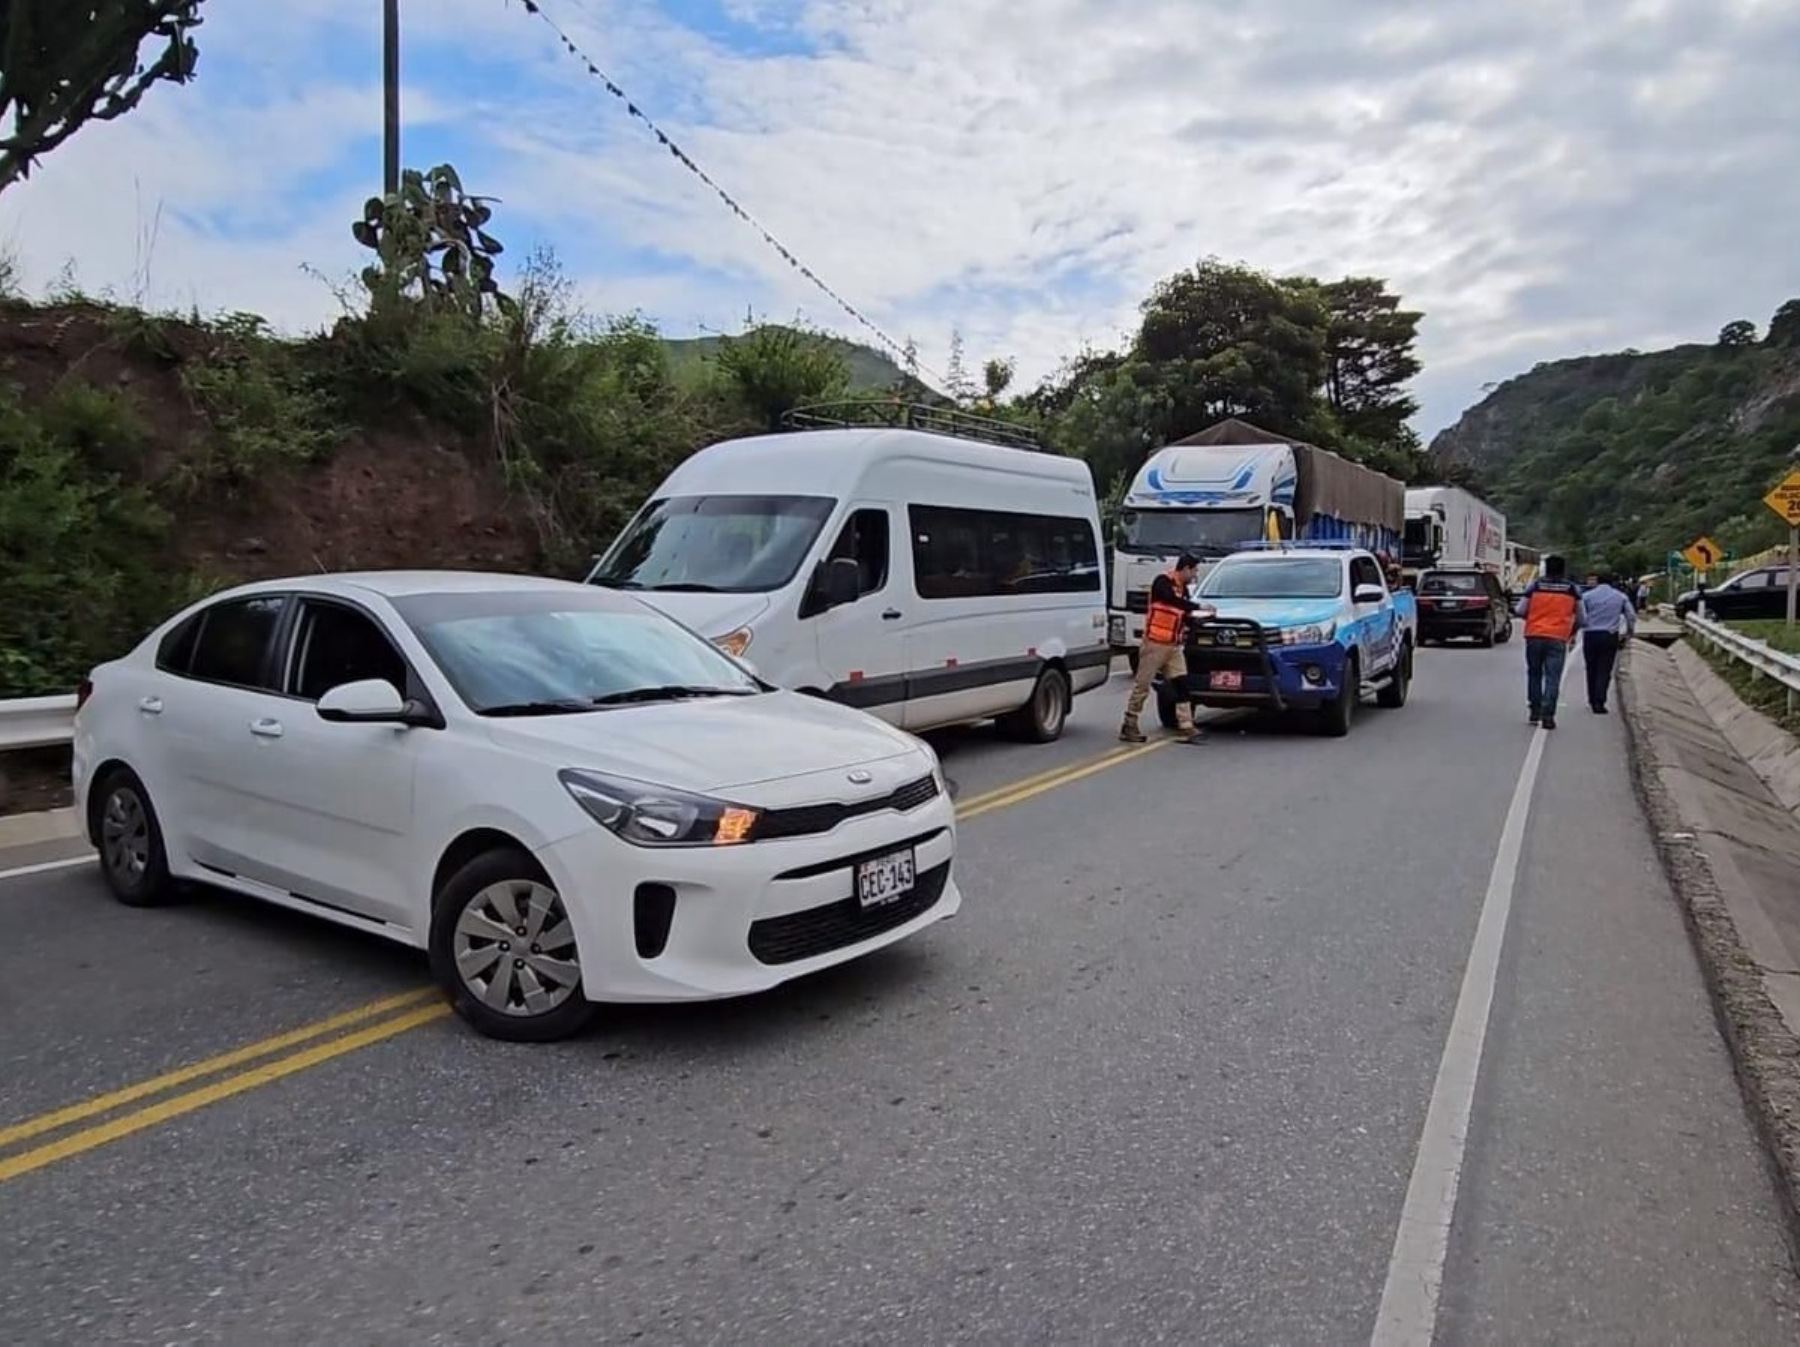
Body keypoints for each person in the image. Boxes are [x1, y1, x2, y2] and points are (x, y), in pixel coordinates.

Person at [1122, 553, 1202, 744]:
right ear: (1185, 569)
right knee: (1142, 686)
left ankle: (1186, 726)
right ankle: (1129, 723)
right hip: (1155, 644)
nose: (1195, 575)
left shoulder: (1183, 590)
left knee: (1182, 683)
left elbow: (1183, 613)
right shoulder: (1162, 582)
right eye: (1194, 571)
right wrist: (1196, 606)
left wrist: (1199, 619)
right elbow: (1170, 601)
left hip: (1173, 646)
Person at [1514, 554, 1582, 729]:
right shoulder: (1572, 589)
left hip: (1534, 635)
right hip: (1558, 637)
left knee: (1534, 674)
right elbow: (1582, 618)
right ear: (1563, 570)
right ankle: (1548, 715)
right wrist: (1570, 630)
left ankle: (1534, 711)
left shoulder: (1535, 586)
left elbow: (1520, 610)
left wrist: (1534, 618)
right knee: (1553, 677)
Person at [1579, 572, 1635, 713]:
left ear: (1598, 581)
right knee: (1604, 669)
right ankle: (1600, 701)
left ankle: (1592, 699)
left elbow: (1580, 615)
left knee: (1591, 668)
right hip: (1609, 635)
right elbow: (1631, 616)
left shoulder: (1587, 596)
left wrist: (1580, 628)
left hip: (1590, 635)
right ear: (1613, 583)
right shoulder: (1620, 596)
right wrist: (1629, 632)